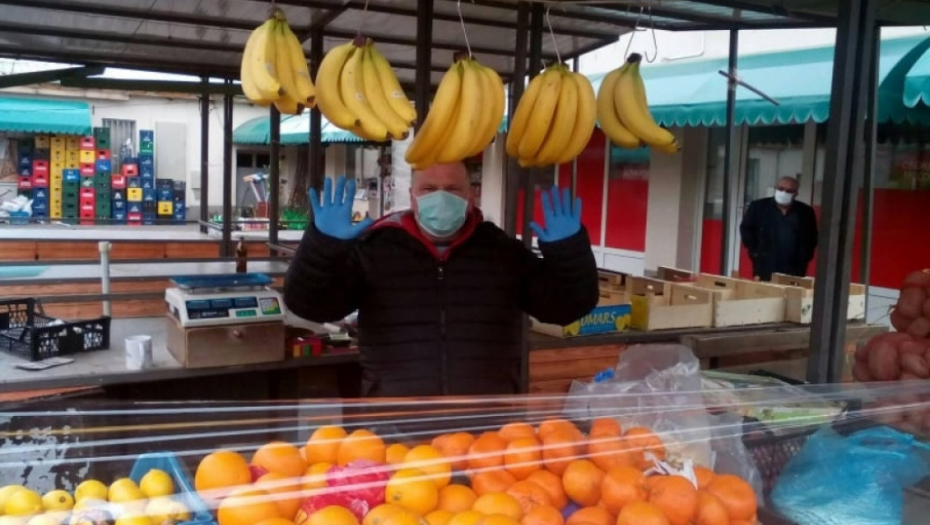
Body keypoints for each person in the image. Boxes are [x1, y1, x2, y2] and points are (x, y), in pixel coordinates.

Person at [284, 163, 599, 397]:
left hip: (489, 425)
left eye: (453, 189)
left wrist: (568, 251)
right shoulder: (375, 250)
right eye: (429, 189)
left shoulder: (501, 251)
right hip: (396, 423)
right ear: (412, 197)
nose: (441, 197)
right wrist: (322, 246)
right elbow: (311, 305)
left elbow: (566, 307)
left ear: (471, 196)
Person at [739, 176, 818, 281]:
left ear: (796, 194)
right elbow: (746, 229)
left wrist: (805, 257)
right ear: (775, 189)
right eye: (781, 189)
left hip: (795, 267)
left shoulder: (805, 211)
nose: (784, 193)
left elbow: (812, 237)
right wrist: (755, 251)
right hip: (765, 264)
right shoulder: (759, 207)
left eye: (789, 191)